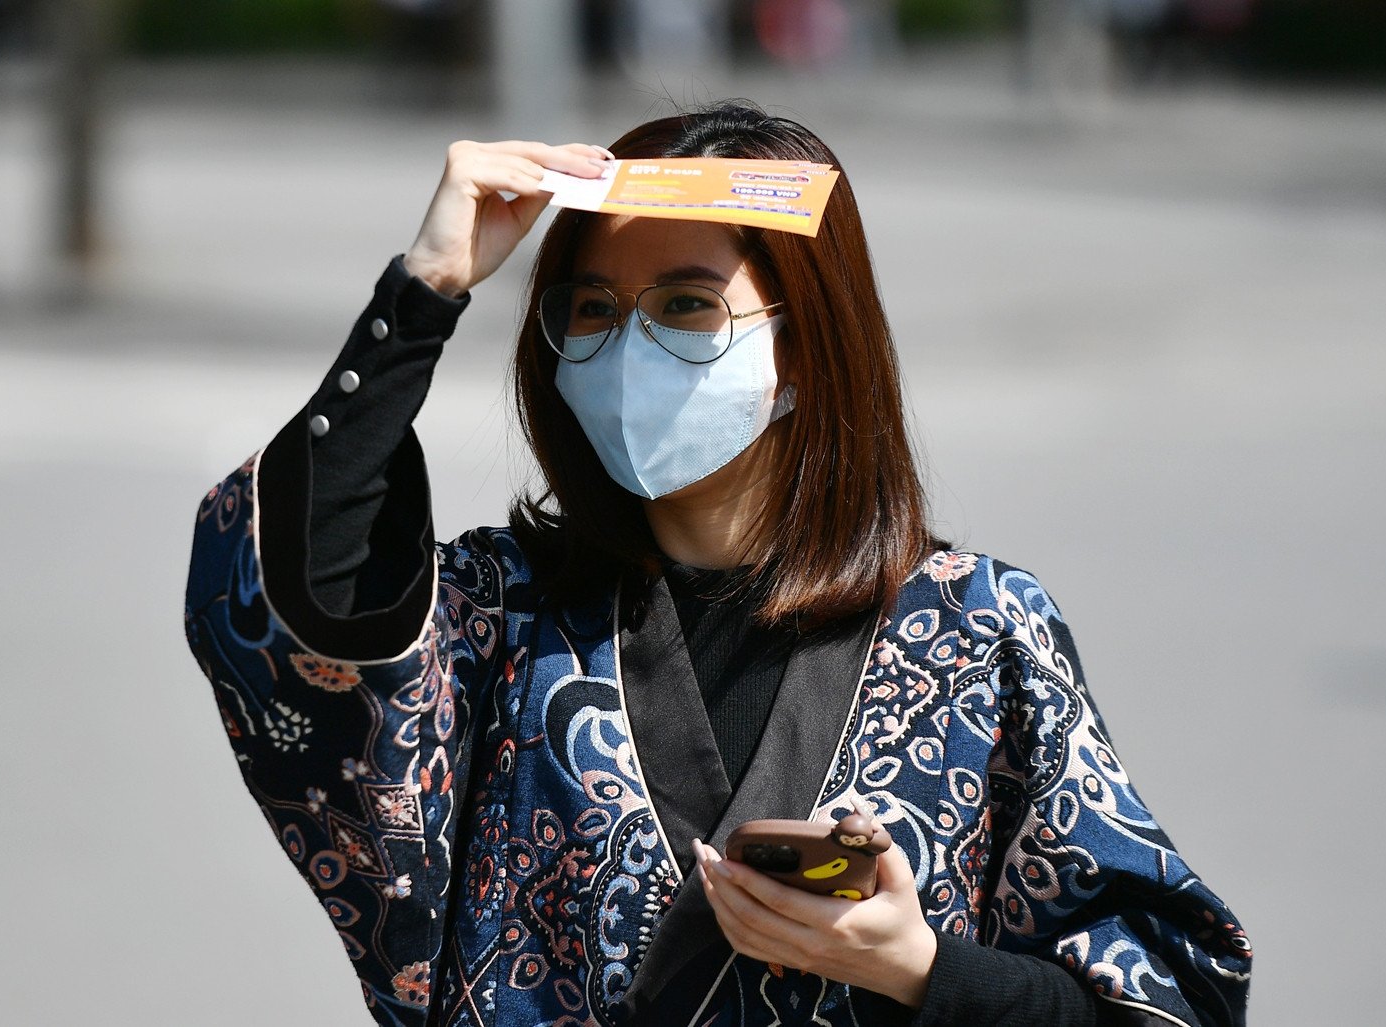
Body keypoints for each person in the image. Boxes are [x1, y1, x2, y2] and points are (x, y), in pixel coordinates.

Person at [183, 102, 1252, 1026]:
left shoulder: (978, 631)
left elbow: (1165, 995)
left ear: (806, 346)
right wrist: (423, 293)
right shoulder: (500, 614)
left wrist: (918, 970)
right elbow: (298, 607)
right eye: (593, 308)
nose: (627, 343)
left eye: (688, 305)